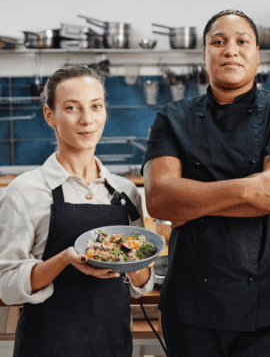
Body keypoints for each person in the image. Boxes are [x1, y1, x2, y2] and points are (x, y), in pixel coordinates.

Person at [143, 9, 270, 356]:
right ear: (204, 55)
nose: (230, 50)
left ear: (257, 55)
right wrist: (247, 188)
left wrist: (190, 201)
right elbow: (159, 201)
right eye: (217, 42)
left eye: (241, 41)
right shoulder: (172, 117)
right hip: (190, 306)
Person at [0, 66, 154, 356]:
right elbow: (7, 287)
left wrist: (140, 266)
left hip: (113, 345)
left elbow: (141, 286)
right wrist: (64, 260)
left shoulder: (125, 192)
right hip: (48, 346)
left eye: (96, 107)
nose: (87, 120)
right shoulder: (25, 191)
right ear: (50, 116)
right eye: (72, 108)